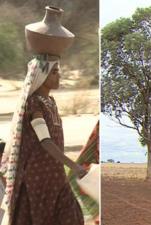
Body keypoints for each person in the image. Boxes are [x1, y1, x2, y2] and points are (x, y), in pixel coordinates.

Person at [0, 55, 86, 225]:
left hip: (56, 173)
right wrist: (74, 166)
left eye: (58, 71)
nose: (59, 76)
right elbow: (45, 140)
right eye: (54, 72)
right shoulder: (34, 105)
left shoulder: (51, 102)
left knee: (71, 216)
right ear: (41, 76)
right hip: (39, 177)